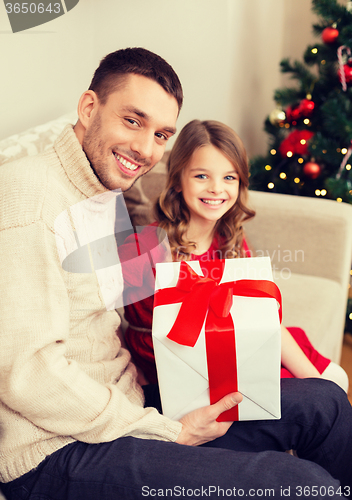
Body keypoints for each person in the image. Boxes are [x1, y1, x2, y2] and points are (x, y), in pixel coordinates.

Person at [0, 47, 351, 500]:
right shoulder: (29, 199)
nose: (146, 150)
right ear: (90, 108)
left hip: (127, 408)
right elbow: (26, 374)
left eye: (161, 133)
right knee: (304, 487)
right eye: (133, 121)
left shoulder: (104, 188)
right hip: (57, 449)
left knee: (325, 403)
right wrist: (165, 430)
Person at [119, 119, 348, 392]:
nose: (217, 188)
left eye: (229, 177)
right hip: (186, 375)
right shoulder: (145, 247)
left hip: (238, 350)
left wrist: (316, 384)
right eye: (201, 176)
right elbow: (111, 320)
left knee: (335, 378)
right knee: (316, 393)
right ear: (178, 181)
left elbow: (261, 319)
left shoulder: (229, 241)